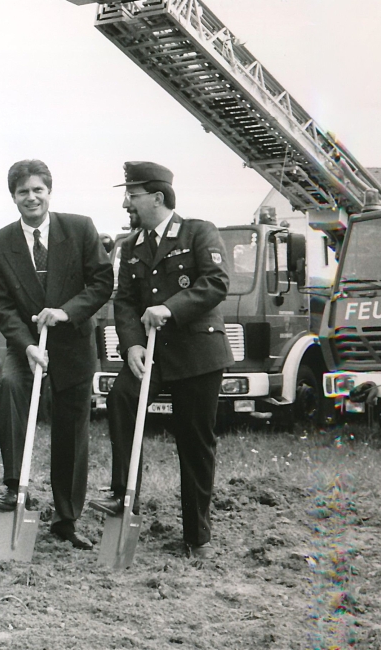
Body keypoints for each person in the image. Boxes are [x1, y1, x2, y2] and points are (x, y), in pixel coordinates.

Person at [89, 162, 234, 560]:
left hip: (197, 353)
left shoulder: (198, 232)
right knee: (121, 398)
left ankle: (197, 537)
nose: (126, 204)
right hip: (150, 354)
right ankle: (124, 496)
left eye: (132, 196)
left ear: (157, 197)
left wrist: (169, 308)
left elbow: (216, 283)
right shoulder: (129, 246)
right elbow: (124, 301)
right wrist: (132, 346)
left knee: (194, 440)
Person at [0, 160, 112, 550]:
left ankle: (66, 519)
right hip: (25, 344)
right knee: (11, 386)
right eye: (23, 191)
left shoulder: (80, 228)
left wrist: (66, 312)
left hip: (73, 343)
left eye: (38, 189)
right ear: (13, 197)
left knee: (71, 430)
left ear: (49, 192)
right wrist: (27, 345)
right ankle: (14, 487)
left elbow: (102, 282)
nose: (31, 197)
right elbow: (2, 306)